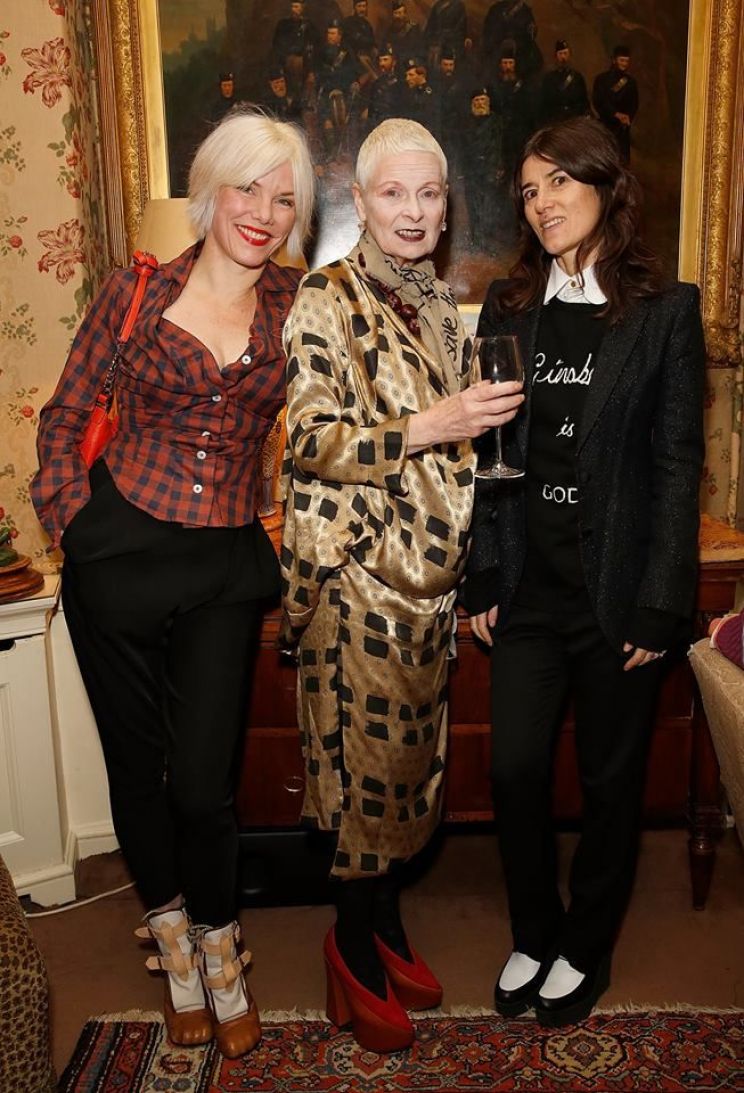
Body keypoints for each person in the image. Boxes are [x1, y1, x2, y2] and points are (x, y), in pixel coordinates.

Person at [31, 109, 315, 1059]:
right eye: (248, 188)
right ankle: (175, 950)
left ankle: (223, 949)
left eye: (284, 199)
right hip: (116, 554)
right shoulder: (136, 291)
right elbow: (66, 414)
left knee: (202, 782)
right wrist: (74, 523)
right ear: (211, 189)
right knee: (137, 770)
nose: (262, 212)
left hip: (224, 566)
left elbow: (341, 414)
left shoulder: (299, 305)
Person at [281, 118, 524, 1052]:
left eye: (429, 195)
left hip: (427, 580)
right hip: (357, 577)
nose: (414, 212)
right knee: (361, 781)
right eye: (394, 193)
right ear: (362, 201)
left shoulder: (436, 303)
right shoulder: (325, 296)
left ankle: (383, 924)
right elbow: (311, 440)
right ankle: (350, 945)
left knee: (406, 775)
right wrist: (437, 423)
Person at [466, 116, 705, 1026]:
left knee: (611, 782)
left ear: (606, 184)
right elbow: (490, 450)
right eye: (530, 191)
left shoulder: (664, 311)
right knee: (515, 771)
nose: (543, 203)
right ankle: (534, 930)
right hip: (530, 590)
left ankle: (586, 943)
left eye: (559, 181)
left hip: (618, 594)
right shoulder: (509, 306)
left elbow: (677, 464)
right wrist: (483, 571)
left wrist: (662, 600)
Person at [592, 45, 639, 165]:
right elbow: (598, 101)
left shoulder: (631, 82)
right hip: (606, 125)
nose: (624, 64)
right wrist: (615, 114)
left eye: (626, 61)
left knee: (622, 162)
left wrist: (628, 117)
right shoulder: (601, 79)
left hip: (622, 128)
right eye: (621, 60)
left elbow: (634, 103)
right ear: (614, 60)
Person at [538, 40, 589, 125]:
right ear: (556, 56)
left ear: (569, 55)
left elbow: (584, 101)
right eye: (560, 54)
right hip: (556, 119)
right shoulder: (549, 78)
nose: (563, 57)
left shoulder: (577, 77)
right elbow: (545, 103)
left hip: (574, 119)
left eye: (565, 53)